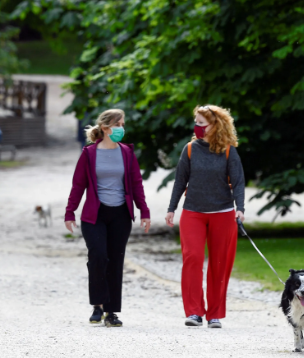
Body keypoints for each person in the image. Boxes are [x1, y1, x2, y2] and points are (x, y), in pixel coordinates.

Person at [65, 109, 151, 327]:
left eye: (122, 124)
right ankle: (97, 304)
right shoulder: (89, 153)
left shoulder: (127, 153)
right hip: (95, 214)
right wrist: (70, 211)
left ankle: (111, 312)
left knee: (115, 260)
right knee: (98, 256)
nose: (121, 129)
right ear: (104, 127)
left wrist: (144, 211)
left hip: (121, 214)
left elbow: (136, 184)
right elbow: (78, 185)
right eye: (117, 124)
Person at [165, 105, 246, 329]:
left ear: (215, 125)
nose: (197, 127)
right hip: (193, 213)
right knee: (192, 259)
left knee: (220, 264)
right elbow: (180, 181)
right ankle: (193, 312)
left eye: (202, 124)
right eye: (197, 123)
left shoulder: (229, 151)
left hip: (223, 213)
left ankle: (215, 315)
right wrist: (172, 208)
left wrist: (240, 207)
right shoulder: (190, 149)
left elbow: (238, 181)